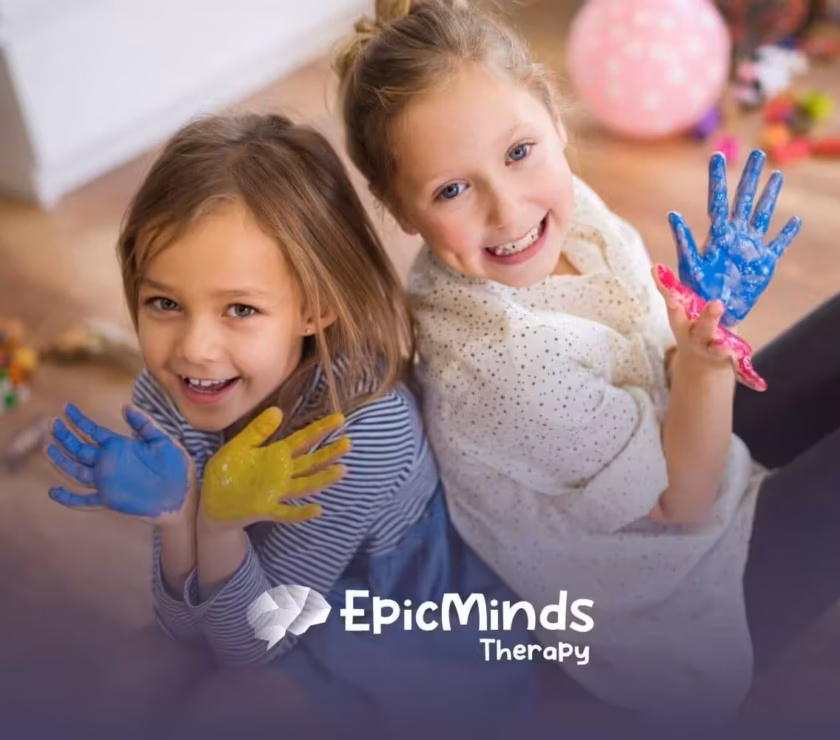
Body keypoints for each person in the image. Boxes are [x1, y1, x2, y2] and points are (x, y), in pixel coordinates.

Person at [334, 0, 840, 726]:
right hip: (688, 603)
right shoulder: (504, 364)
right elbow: (681, 502)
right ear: (398, 208)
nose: (507, 211)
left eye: (518, 152)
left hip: (704, 457)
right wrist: (705, 362)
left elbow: (657, 370)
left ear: (554, 118)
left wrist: (693, 341)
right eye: (452, 189)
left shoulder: (561, 210)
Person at [42, 112, 538, 736]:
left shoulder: (359, 437)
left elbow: (251, 647)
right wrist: (177, 517)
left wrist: (217, 526)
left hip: (403, 640)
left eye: (240, 309)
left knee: (233, 707)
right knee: (136, 664)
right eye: (164, 303)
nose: (193, 349)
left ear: (317, 307)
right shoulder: (169, 399)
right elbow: (184, 628)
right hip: (266, 609)